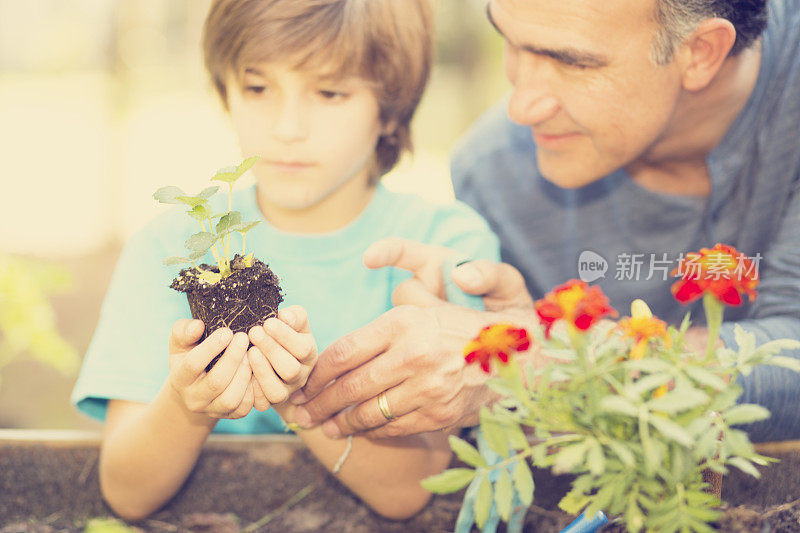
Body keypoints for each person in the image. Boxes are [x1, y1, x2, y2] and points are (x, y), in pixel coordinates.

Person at [288, 0, 800, 444]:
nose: (521, 107)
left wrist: (544, 362)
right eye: (511, 42)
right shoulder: (498, 173)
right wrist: (504, 344)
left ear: (701, 51)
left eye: (572, 62)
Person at [70, 0, 500, 522]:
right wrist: (189, 401)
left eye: (329, 91)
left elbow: (408, 492)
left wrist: (297, 393)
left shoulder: (441, 245)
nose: (287, 127)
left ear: (389, 108)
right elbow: (126, 491)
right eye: (257, 88)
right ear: (223, 91)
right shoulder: (170, 249)